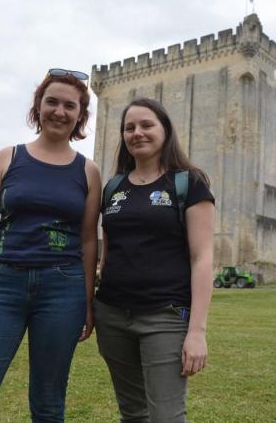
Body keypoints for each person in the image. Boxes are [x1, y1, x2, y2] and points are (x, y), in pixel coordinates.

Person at [0, 68, 101, 423]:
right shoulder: (8, 158)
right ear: (38, 107)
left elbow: (89, 240)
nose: (60, 111)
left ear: (80, 116)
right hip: (2, 285)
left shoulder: (88, 171)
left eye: (70, 106)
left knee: (48, 404)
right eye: (52, 102)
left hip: (63, 290)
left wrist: (87, 303)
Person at [95, 97, 215, 422]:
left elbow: (202, 258)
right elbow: (109, 251)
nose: (138, 133)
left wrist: (197, 331)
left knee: (166, 416)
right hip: (112, 316)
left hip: (165, 317)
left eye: (147, 125)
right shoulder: (113, 188)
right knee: (133, 414)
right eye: (129, 127)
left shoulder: (189, 183)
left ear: (165, 130)